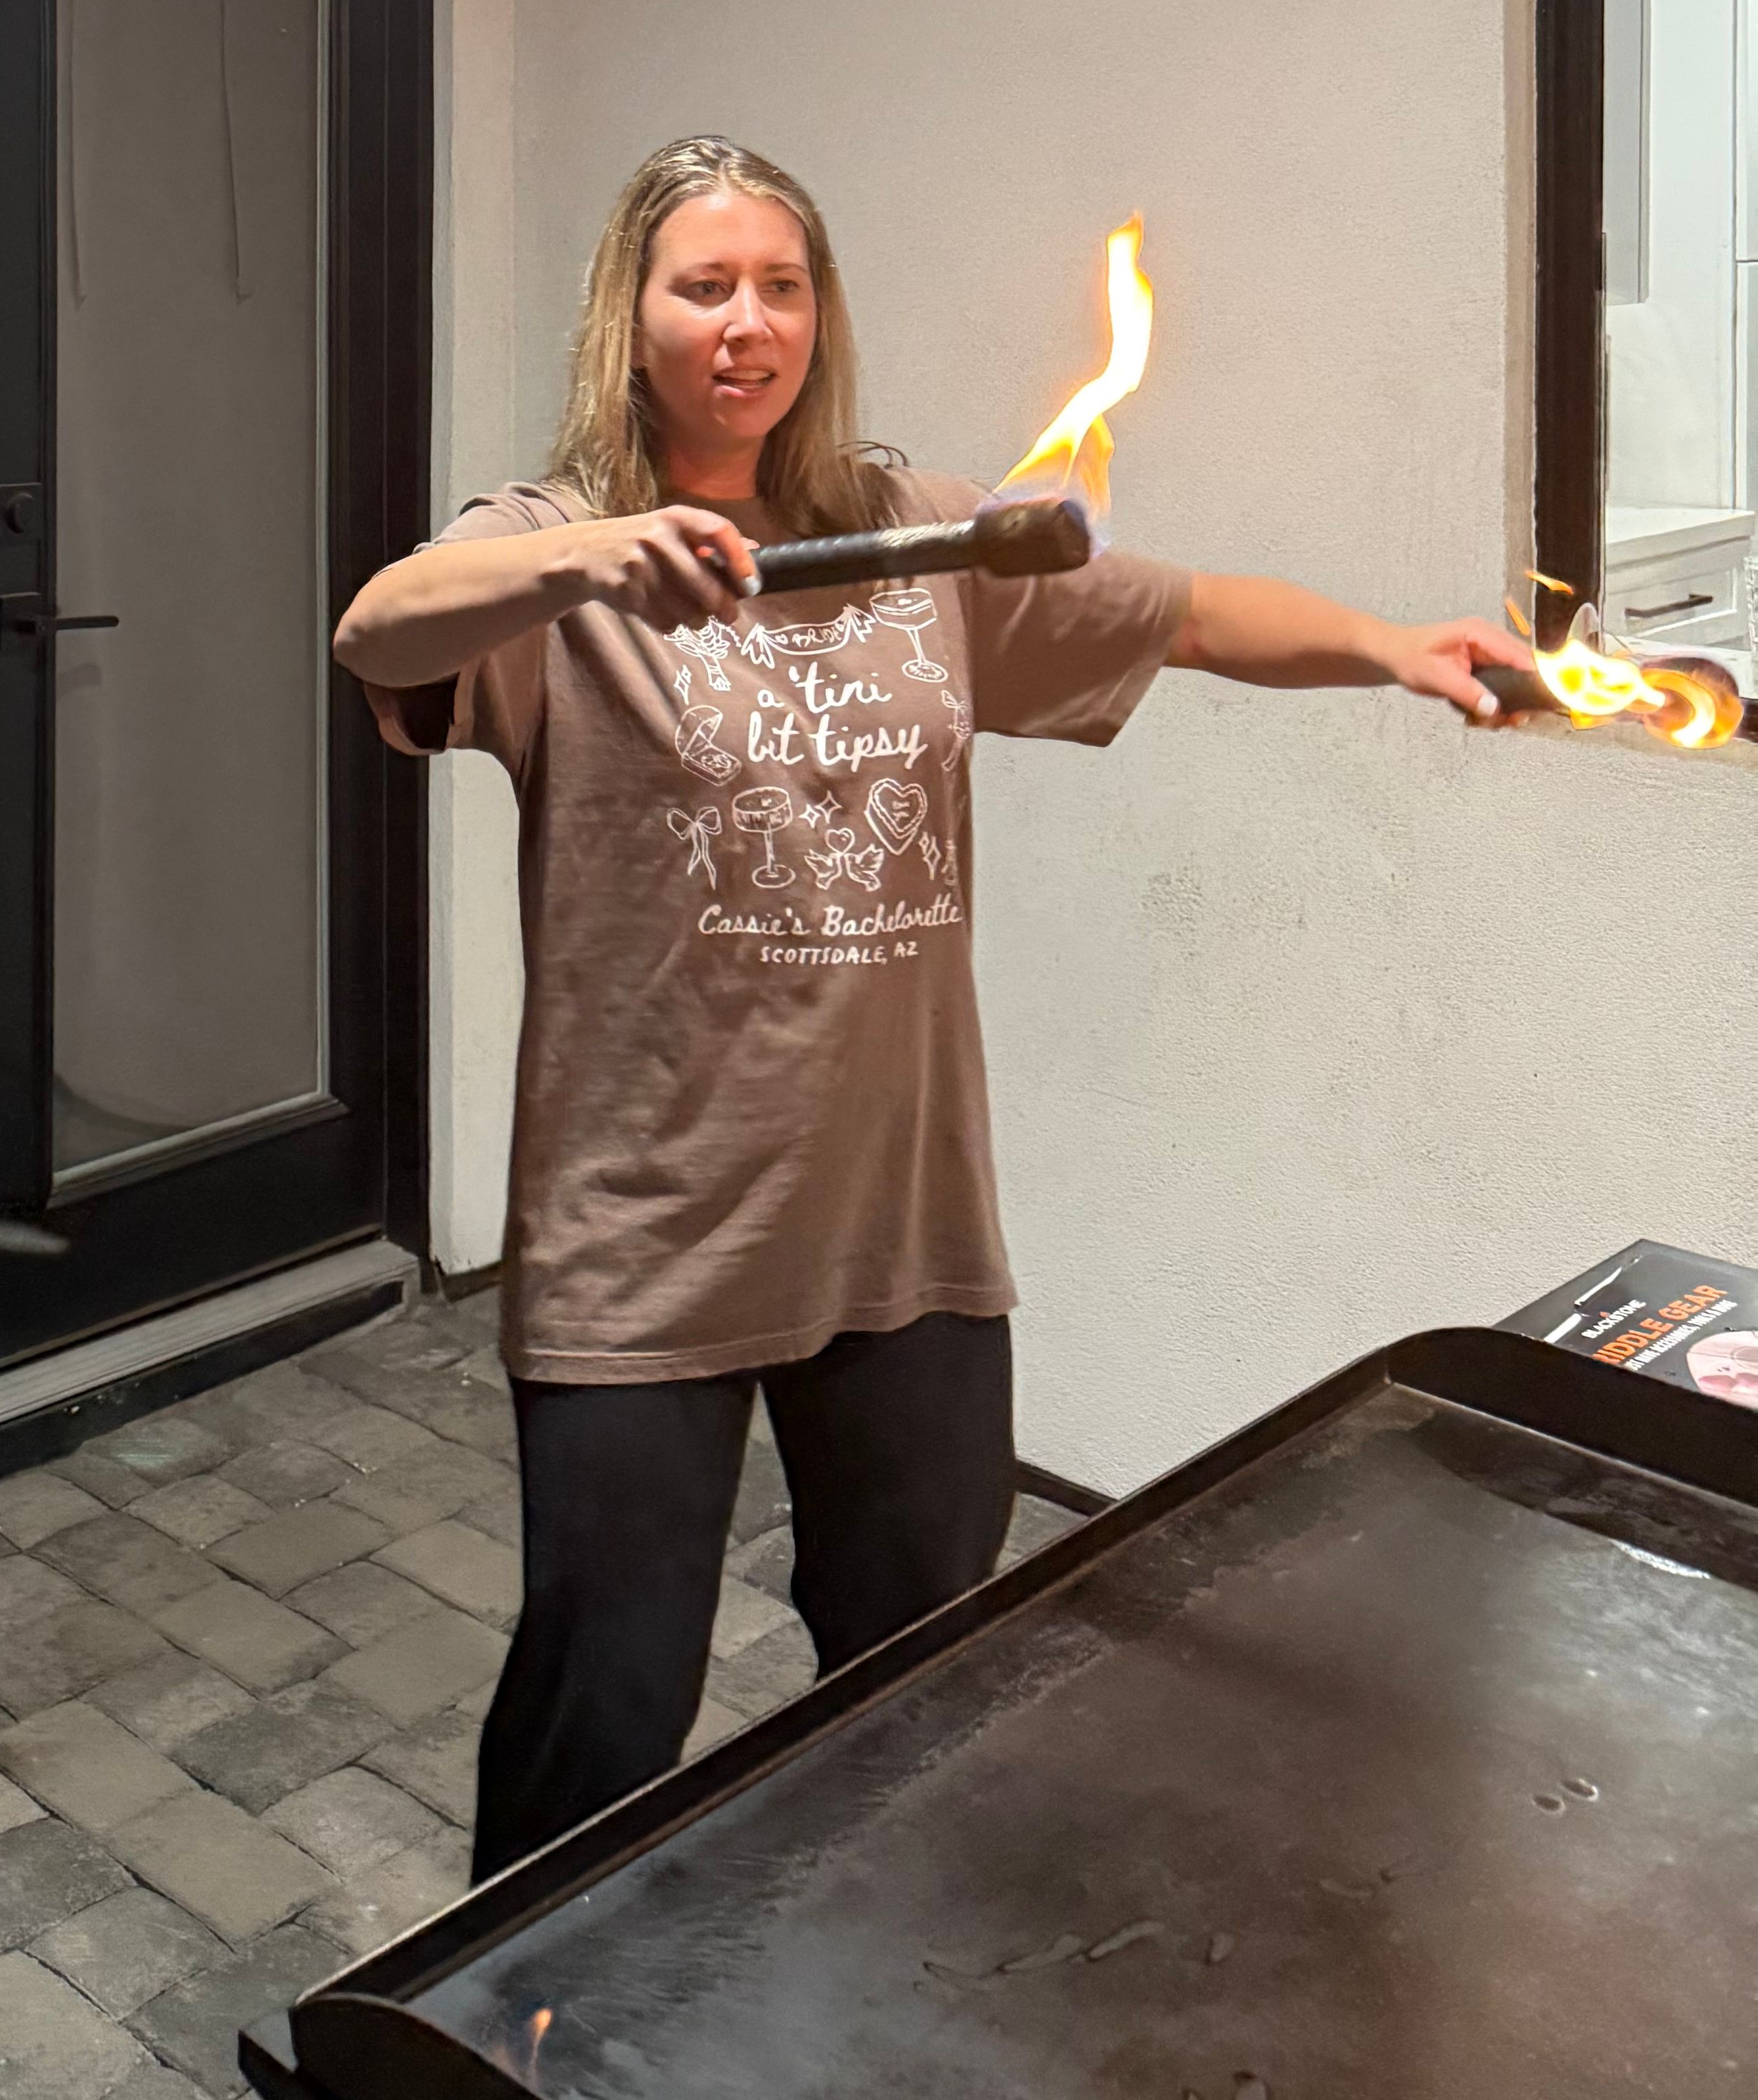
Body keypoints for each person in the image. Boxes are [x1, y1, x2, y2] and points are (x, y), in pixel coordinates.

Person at [333, 135, 1504, 1879]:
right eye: (704, 284)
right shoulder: (553, 548)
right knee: (605, 1711)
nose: (750, 322)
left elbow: (1180, 614)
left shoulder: (916, 531)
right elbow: (378, 631)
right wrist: (592, 568)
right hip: (647, 1236)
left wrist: (1396, 646)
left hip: (901, 1225)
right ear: (628, 315)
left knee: (923, 1682)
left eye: (783, 284)